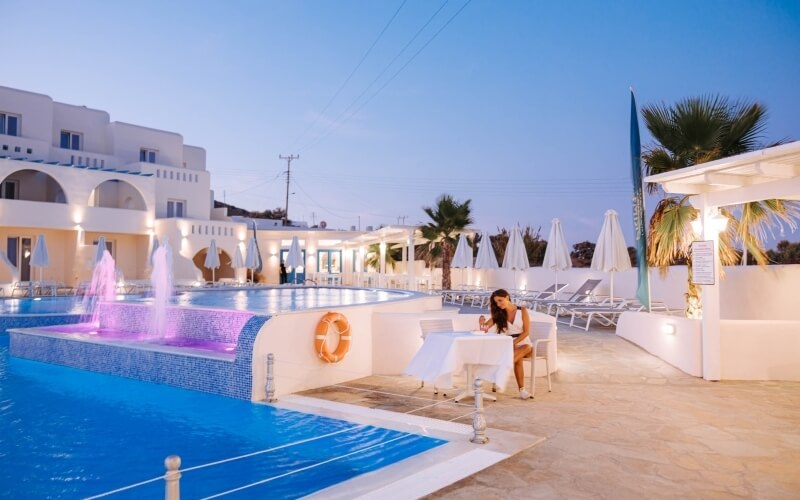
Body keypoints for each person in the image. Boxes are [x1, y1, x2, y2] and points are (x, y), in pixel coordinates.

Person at [478, 288, 533, 400]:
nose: (498, 304)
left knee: (526, 347)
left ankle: (500, 369)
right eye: (496, 302)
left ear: (507, 297)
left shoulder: (522, 310)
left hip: (522, 342)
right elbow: (484, 329)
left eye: (500, 300)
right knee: (518, 359)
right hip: (507, 345)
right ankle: (522, 390)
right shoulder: (499, 314)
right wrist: (481, 322)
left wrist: (513, 343)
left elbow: (526, 332)